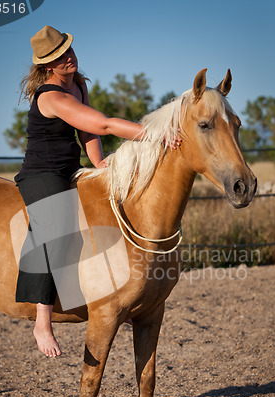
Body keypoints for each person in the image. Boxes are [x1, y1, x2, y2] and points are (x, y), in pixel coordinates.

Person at [15, 26, 179, 359]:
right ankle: (42, 321)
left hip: (70, 169)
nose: (69, 57)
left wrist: (100, 162)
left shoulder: (77, 85)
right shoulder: (51, 96)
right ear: (48, 66)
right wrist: (156, 134)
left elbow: (88, 132)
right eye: (60, 56)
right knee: (54, 226)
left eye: (69, 50)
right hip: (42, 173)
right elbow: (103, 124)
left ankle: (122, 295)